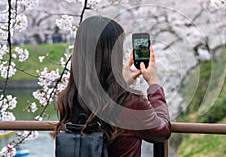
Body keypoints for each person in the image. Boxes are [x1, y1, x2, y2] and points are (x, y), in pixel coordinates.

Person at [55, 16, 171, 157]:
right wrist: (154, 84)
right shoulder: (131, 102)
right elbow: (161, 132)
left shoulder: (67, 98)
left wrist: (121, 82)